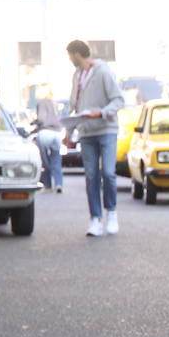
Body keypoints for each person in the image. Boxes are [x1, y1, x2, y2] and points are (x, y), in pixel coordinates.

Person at [65, 40, 125, 236]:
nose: (69, 59)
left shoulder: (103, 72)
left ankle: (112, 212)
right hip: (86, 132)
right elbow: (74, 104)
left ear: (76, 54)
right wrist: (68, 132)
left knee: (108, 172)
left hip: (106, 129)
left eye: (70, 55)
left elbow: (118, 100)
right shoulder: (77, 75)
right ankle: (95, 219)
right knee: (91, 176)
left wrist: (100, 113)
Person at [33, 87, 64, 193]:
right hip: (57, 133)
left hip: (45, 132)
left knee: (44, 161)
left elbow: (41, 118)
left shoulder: (42, 103)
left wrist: (34, 123)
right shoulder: (54, 104)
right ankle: (59, 184)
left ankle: (48, 185)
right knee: (56, 159)